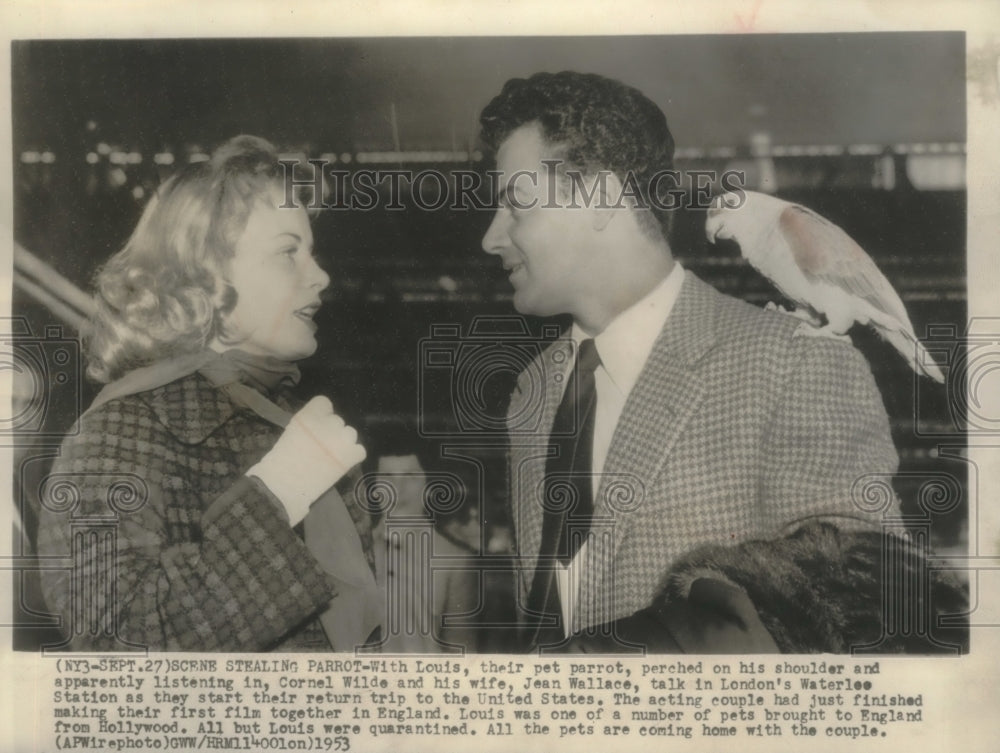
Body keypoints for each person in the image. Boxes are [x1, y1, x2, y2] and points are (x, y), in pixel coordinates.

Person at [479, 72, 963, 653]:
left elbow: (873, 602)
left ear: (600, 197)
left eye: (515, 204)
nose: (491, 236)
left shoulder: (793, 361)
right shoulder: (530, 393)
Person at [36, 135, 381, 652]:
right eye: (289, 253)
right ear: (204, 276)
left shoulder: (282, 418)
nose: (321, 276)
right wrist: (281, 490)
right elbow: (112, 651)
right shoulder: (117, 432)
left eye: (313, 253)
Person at [364, 423, 479, 653]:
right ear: (375, 487)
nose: (398, 488)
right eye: (387, 476)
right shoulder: (357, 550)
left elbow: (462, 651)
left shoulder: (453, 559)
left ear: (428, 486)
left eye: (410, 476)